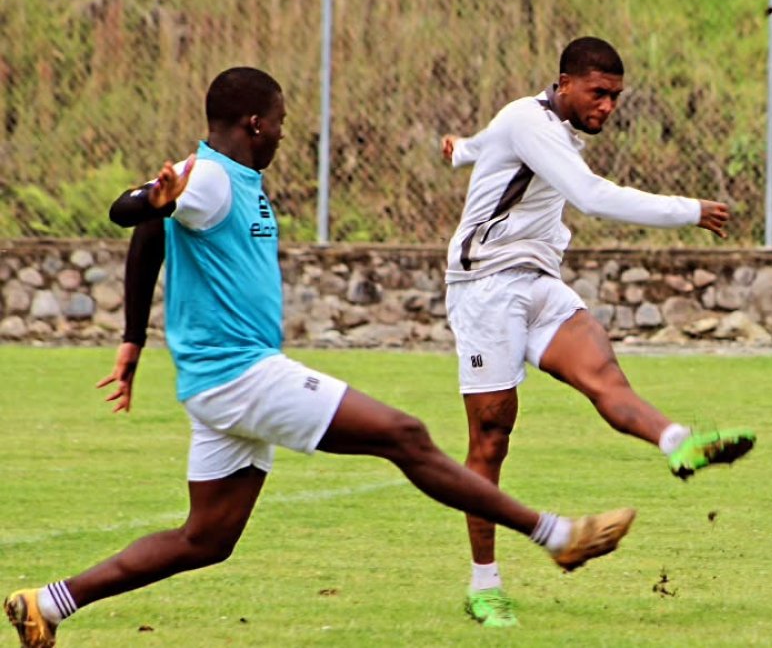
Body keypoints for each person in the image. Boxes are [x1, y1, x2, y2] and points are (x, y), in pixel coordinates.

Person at [4, 67, 635, 648]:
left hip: (215, 383)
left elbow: (153, 233)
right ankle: (556, 536)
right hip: (240, 376)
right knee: (405, 435)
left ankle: (49, 603)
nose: (283, 133)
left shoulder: (226, 180)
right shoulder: (212, 177)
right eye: (280, 122)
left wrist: (132, 340)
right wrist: (153, 199)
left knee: (205, 540)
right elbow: (132, 214)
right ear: (255, 123)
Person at [439, 37, 756, 627]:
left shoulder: (539, 126)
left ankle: (677, 441)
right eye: (598, 93)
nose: (608, 106)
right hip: (484, 288)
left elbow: (485, 144)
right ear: (563, 84)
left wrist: (461, 150)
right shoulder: (529, 120)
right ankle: (484, 585)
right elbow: (589, 196)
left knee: (605, 375)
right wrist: (689, 210)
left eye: (615, 97)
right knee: (491, 436)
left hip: (537, 280)